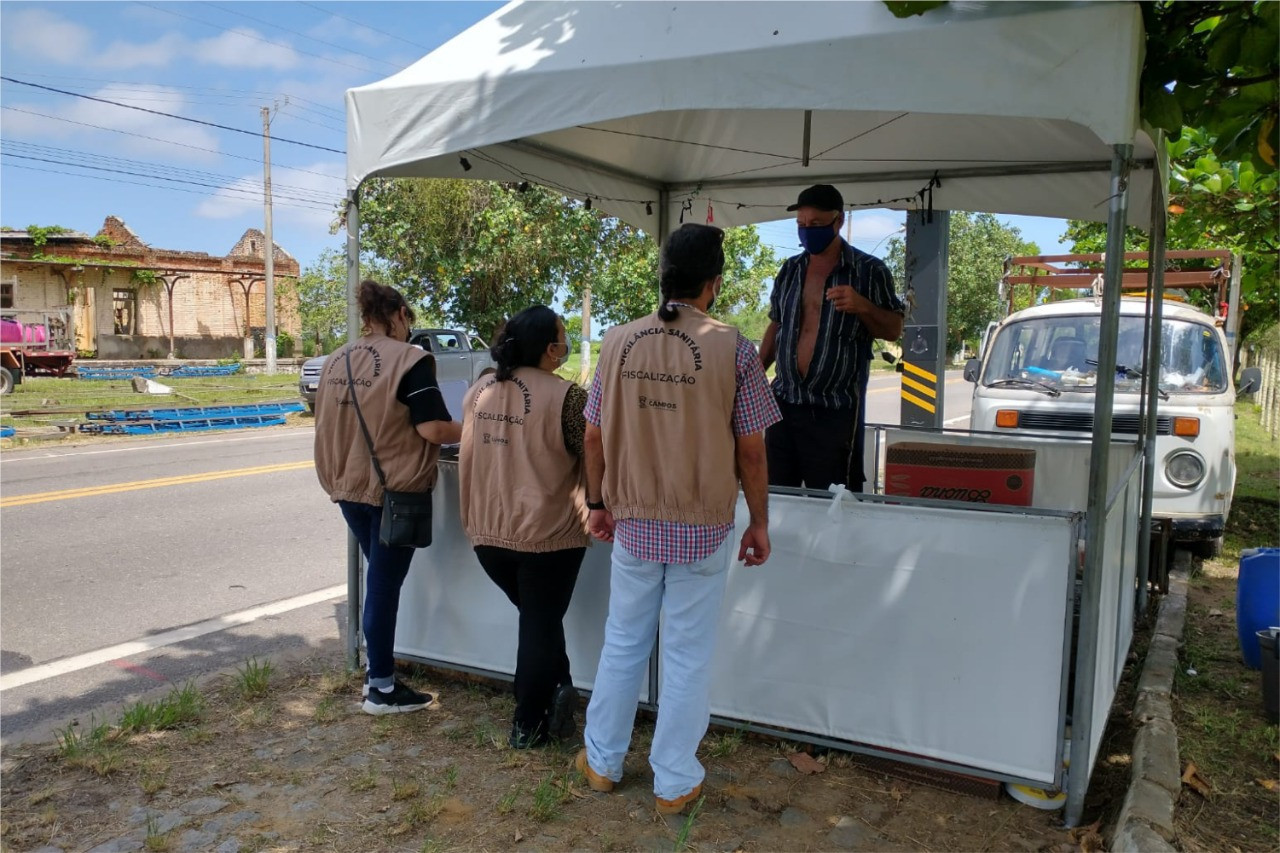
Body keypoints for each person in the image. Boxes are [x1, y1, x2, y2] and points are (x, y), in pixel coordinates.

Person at [575, 223, 780, 816]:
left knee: (622, 642)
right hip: (702, 526)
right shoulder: (734, 348)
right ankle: (673, 783)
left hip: (634, 521)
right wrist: (759, 521)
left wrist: (597, 503)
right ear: (713, 283)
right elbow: (752, 448)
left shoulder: (616, 343)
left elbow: (593, 435)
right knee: (687, 653)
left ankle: (603, 762)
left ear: (662, 277)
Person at [314, 280, 462, 715]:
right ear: (399, 315)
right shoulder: (411, 360)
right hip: (393, 489)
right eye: (408, 321)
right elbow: (433, 429)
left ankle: (377, 674)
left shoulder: (335, 360)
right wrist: (479, 425)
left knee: (377, 577)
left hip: (345, 485)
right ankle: (380, 685)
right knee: (382, 585)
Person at [459, 305, 591, 749]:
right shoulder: (569, 397)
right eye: (561, 336)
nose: (565, 344)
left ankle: (561, 688)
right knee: (539, 625)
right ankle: (526, 725)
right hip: (547, 535)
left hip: (487, 535)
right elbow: (596, 453)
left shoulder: (480, 390)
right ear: (549, 348)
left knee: (539, 622)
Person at [759, 184, 905, 492]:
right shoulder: (790, 270)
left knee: (833, 505)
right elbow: (776, 326)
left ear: (838, 222)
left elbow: (893, 329)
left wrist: (862, 306)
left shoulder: (869, 271)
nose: (807, 232)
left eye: (816, 225)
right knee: (776, 496)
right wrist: (754, 374)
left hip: (833, 412)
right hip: (784, 404)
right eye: (801, 225)